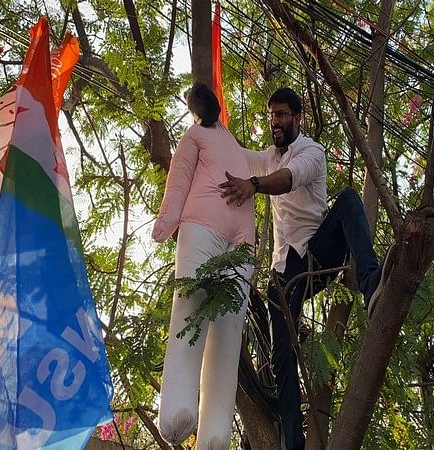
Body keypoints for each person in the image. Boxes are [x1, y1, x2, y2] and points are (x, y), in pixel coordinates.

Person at [219, 87, 387, 450]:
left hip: (317, 254)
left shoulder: (311, 152)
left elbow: (287, 180)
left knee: (348, 200)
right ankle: (293, 443)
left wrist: (253, 185)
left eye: (281, 115)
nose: (275, 122)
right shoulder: (267, 157)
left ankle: (372, 284)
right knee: (282, 359)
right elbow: (235, 157)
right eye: (271, 115)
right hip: (285, 274)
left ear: (297, 118)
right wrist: (207, 134)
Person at [152, 82, 254, 449]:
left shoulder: (212, 140)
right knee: (209, 317)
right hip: (222, 233)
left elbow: (178, 184)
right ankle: (197, 419)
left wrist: (165, 226)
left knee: (210, 317)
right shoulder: (211, 140)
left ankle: (198, 422)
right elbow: (178, 183)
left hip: (223, 235)